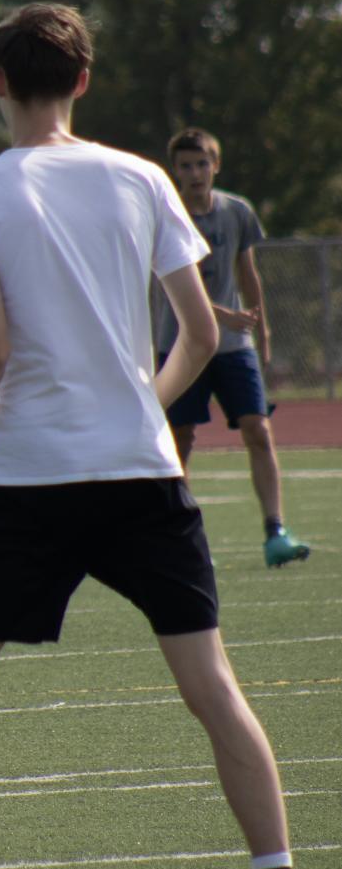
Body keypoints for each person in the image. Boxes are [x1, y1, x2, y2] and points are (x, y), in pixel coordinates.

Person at [0, 3, 318, 869]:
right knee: (213, 685)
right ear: (82, 80)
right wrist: (147, 406)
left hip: (32, 476)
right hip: (140, 471)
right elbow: (200, 330)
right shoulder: (144, 175)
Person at [157, 128, 311, 569]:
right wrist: (221, 315)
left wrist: (260, 332)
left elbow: (248, 274)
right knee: (178, 438)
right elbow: (169, 286)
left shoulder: (236, 211)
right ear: (176, 171)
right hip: (181, 344)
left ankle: (275, 530)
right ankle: (172, 532)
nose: (194, 173)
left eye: (202, 163)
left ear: (215, 165)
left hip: (232, 347)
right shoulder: (166, 214)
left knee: (257, 429)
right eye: (185, 165)